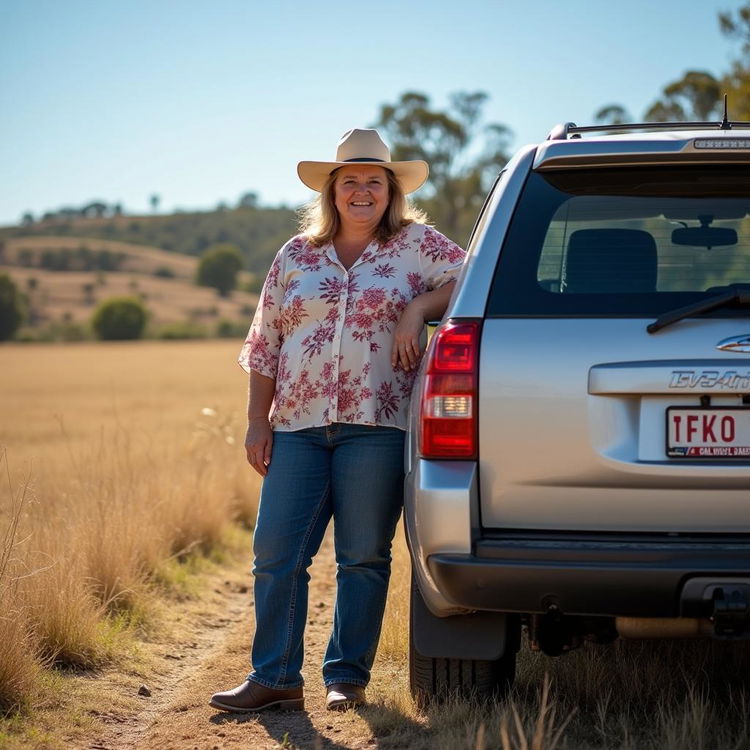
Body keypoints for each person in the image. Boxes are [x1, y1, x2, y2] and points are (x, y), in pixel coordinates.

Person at [210, 128, 465, 713]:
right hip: (297, 424)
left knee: (363, 556)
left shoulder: (418, 246)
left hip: (377, 423)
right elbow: (267, 340)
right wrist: (257, 421)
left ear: (390, 191)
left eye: (374, 181)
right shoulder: (295, 254)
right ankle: (274, 676)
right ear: (331, 190)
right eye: (349, 180)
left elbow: (473, 281)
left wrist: (418, 309)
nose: (361, 190)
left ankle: (346, 678)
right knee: (276, 552)